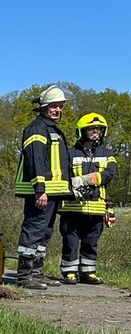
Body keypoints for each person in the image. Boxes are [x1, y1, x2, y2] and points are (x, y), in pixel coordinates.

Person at [14, 85, 72, 289]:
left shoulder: (51, 129)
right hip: (40, 192)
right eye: (54, 106)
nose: (58, 110)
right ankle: (24, 276)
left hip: (52, 192)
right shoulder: (37, 128)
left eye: (61, 107)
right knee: (34, 229)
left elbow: (58, 165)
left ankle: (37, 273)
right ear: (44, 108)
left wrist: (61, 192)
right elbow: (36, 160)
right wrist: (40, 189)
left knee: (45, 232)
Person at [59, 112, 118, 285]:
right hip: (73, 208)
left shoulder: (107, 153)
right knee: (70, 241)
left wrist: (84, 179)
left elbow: (109, 174)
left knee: (91, 242)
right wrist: (70, 186)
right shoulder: (69, 153)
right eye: (92, 128)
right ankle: (69, 272)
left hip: (97, 207)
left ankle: (88, 273)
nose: (96, 131)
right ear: (82, 131)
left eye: (99, 129)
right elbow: (63, 174)